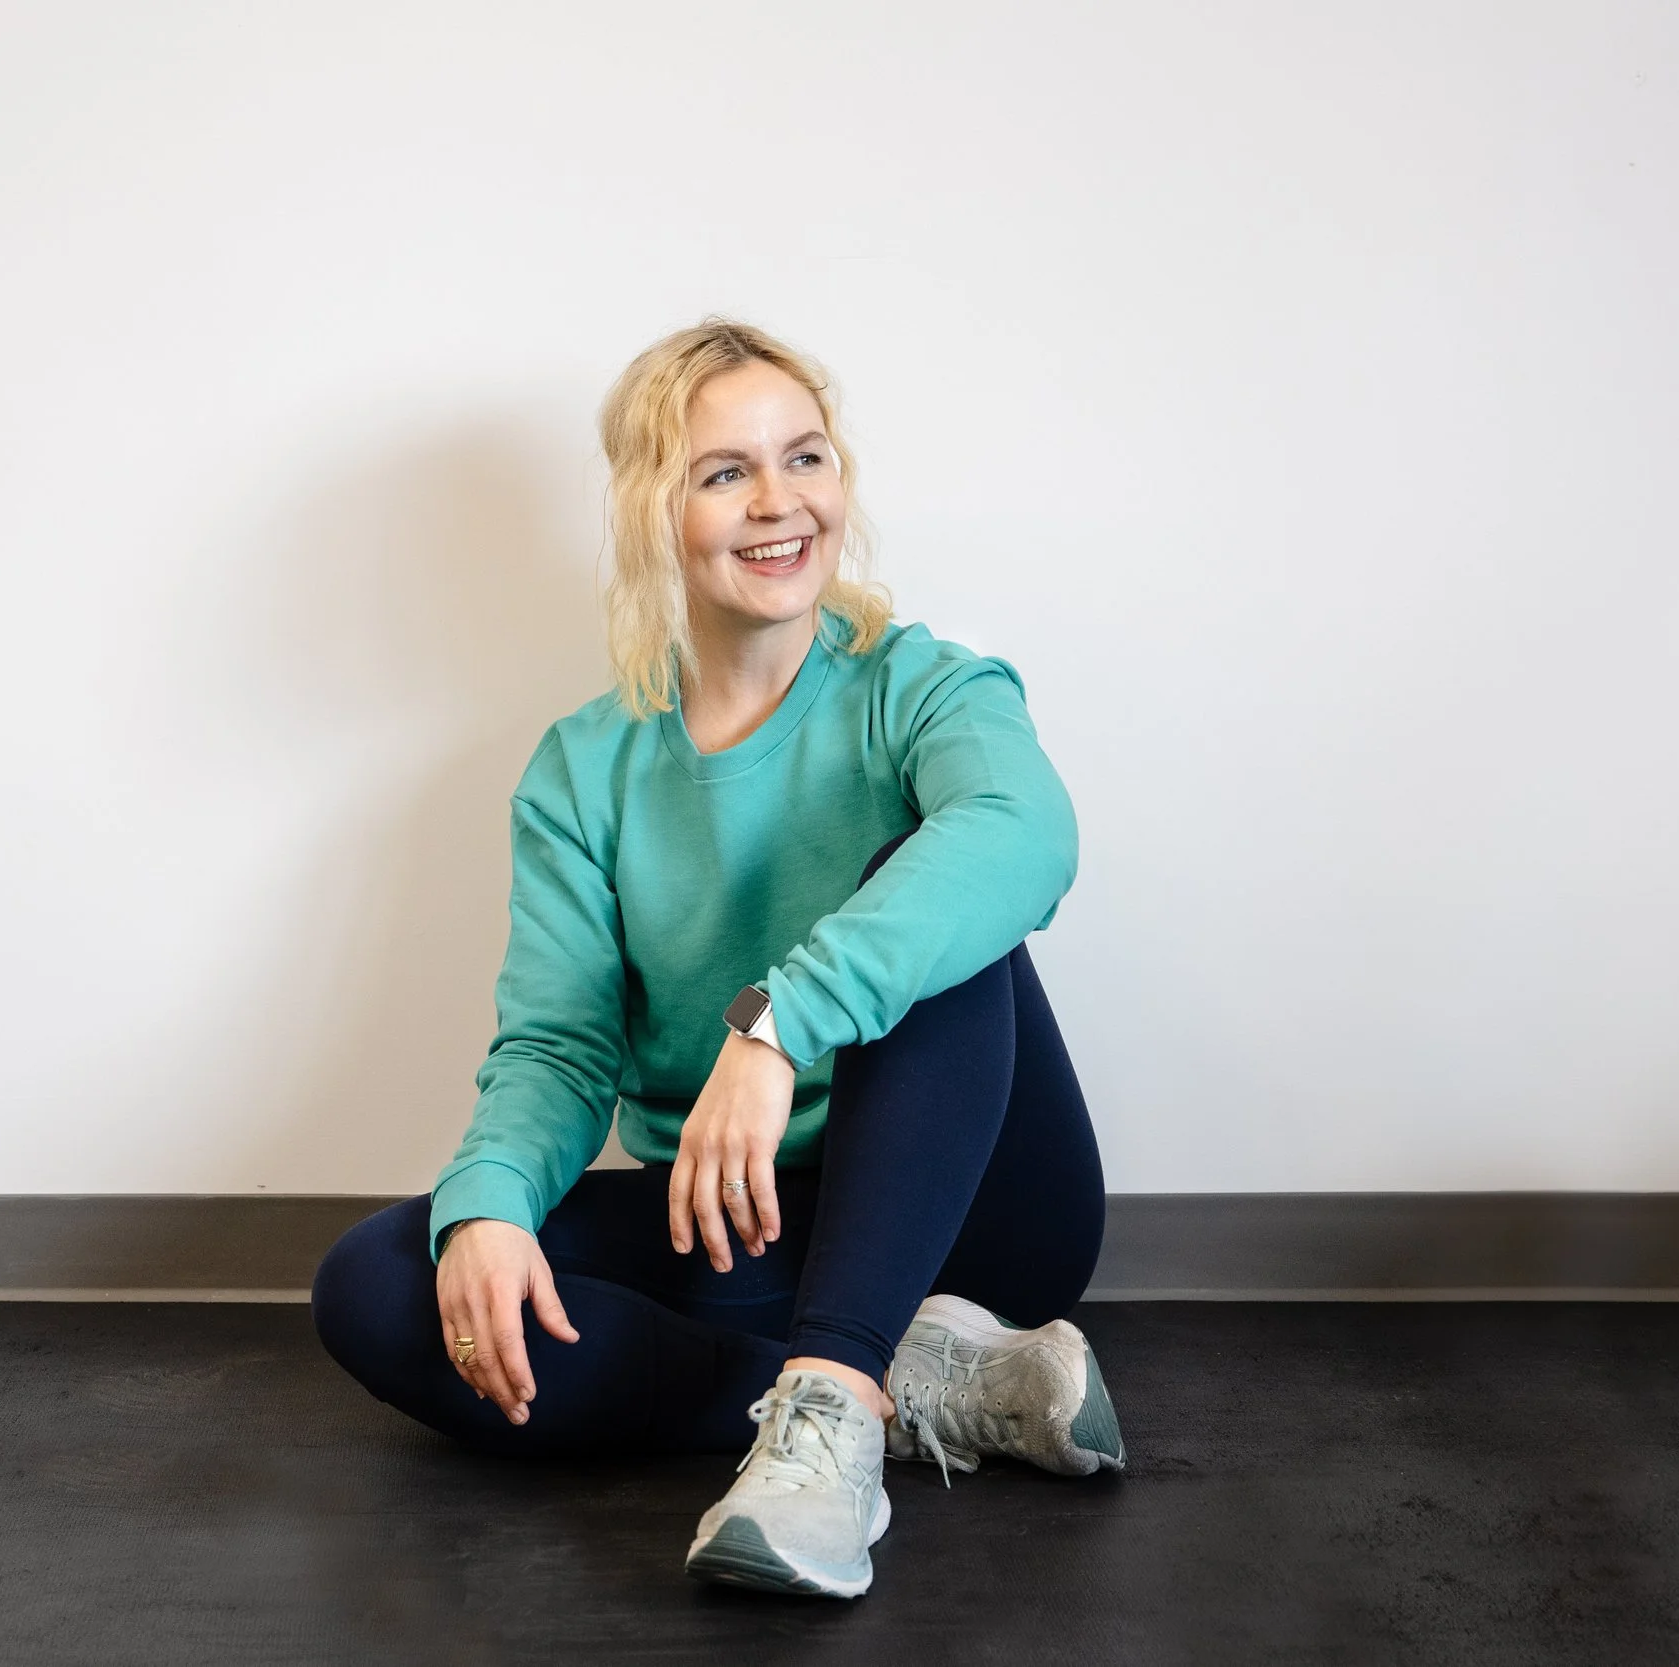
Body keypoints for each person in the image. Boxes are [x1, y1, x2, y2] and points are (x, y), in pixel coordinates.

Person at [311, 317, 1123, 1599]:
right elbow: (560, 1045)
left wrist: (777, 1023)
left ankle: (834, 1400)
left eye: (803, 457)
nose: (777, 501)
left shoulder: (923, 688)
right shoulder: (587, 768)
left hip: (977, 1215)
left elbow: (1028, 835)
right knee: (381, 1282)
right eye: (723, 471)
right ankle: (890, 1386)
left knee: (931, 888)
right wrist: (490, 1207)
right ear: (652, 512)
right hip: (749, 1226)